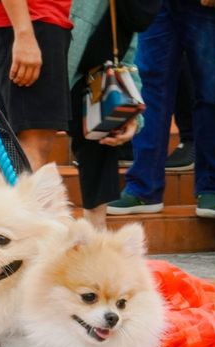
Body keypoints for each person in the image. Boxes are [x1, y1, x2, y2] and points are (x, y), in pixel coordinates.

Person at [107, 0, 215, 219]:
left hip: (206, 7)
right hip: (156, 5)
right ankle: (143, 188)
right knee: (147, 90)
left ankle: (211, 188)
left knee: (213, 90)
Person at [67, 0, 159, 228]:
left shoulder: (136, 9)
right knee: (31, 137)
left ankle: (96, 233)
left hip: (88, 70)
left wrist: (132, 114)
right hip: (36, 61)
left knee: (104, 134)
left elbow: (124, 52)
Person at [0, 0, 73, 171]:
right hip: (30, 20)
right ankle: (25, 198)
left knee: (25, 139)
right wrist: (23, 33)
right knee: (33, 139)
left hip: (32, 21)